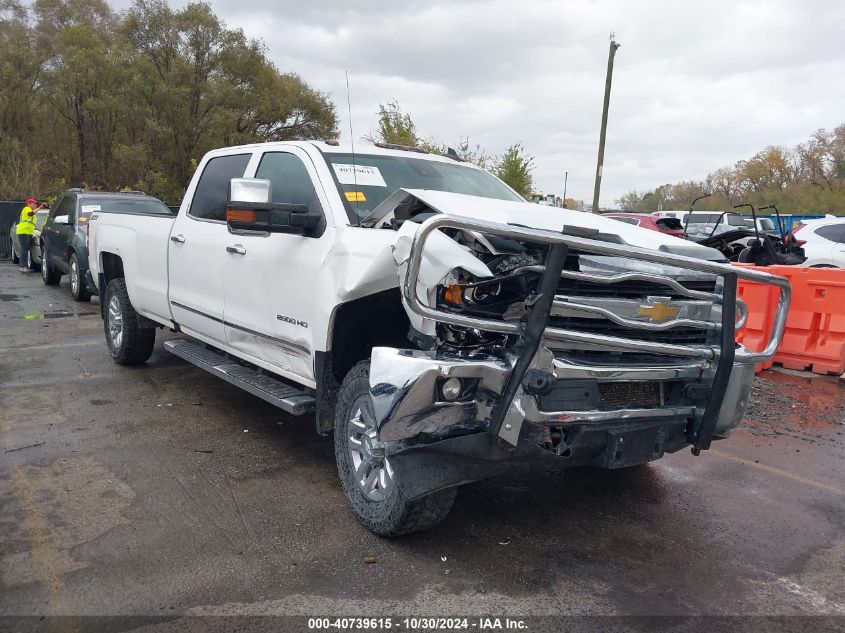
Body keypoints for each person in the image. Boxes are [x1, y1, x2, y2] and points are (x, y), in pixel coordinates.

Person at [16, 197, 46, 272]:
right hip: (23, 232)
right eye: (34, 203)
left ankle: (25, 266)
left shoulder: (33, 214)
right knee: (24, 249)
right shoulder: (26, 208)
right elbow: (30, 214)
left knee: (26, 249)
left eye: (36, 203)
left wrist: (40, 230)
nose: (35, 204)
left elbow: (32, 224)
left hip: (28, 232)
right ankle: (23, 266)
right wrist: (40, 207)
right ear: (29, 204)